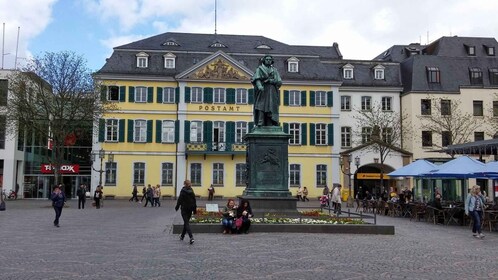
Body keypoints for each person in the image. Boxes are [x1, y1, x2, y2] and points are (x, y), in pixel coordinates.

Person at [251, 54, 282, 127]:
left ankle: (270, 122)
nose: (268, 61)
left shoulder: (274, 70)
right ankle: (260, 122)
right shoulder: (260, 69)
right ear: (264, 60)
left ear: (272, 61)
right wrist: (259, 86)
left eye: (270, 60)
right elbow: (256, 79)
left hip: (272, 91)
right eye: (267, 59)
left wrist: (271, 81)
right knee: (261, 105)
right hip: (263, 90)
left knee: (271, 107)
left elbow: (279, 81)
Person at [175, 180, 197, 244]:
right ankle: (182, 236)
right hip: (190, 209)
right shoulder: (191, 191)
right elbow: (194, 201)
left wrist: (177, 207)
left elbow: (179, 200)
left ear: (184, 184)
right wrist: (194, 209)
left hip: (184, 209)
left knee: (186, 223)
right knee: (186, 223)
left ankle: (191, 237)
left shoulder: (182, 191)